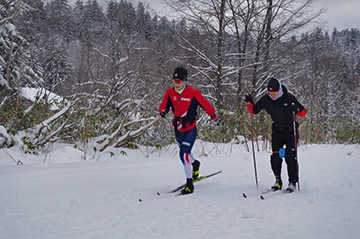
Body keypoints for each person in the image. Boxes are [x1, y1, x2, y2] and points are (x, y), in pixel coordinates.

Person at [159, 66, 221, 195]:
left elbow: (206, 105)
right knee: (184, 152)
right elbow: (164, 105)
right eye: (174, 81)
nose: (176, 84)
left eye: (179, 81)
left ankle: (189, 184)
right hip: (177, 129)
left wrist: (214, 118)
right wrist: (163, 111)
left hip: (190, 129)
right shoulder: (170, 92)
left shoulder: (193, 93)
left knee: (183, 155)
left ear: (185, 81)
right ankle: (195, 164)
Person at [245, 77, 307, 192]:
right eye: (270, 93)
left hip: (290, 129)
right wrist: (249, 103)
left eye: (274, 93)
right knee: (275, 156)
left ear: (280, 90)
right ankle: (278, 181)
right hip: (277, 129)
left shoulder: (289, 98)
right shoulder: (266, 99)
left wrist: (296, 108)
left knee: (290, 156)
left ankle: (292, 182)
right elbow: (254, 111)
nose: (272, 96)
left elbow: (303, 113)